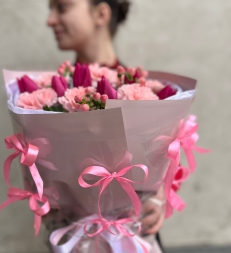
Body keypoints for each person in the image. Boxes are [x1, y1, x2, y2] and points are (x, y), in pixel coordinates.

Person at [47, 0, 165, 252]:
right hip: (74, 237)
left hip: (132, 235)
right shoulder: (49, 96)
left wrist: (158, 197)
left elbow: (165, 154)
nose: (50, 20)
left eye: (62, 7)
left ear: (101, 14)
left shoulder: (144, 92)